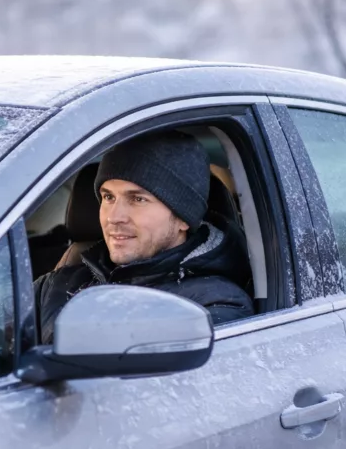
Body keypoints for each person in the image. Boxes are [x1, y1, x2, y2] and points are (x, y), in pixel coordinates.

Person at [35, 131, 254, 344]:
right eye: (108, 197)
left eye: (138, 199)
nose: (114, 217)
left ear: (183, 218)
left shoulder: (215, 306)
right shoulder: (57, 283)